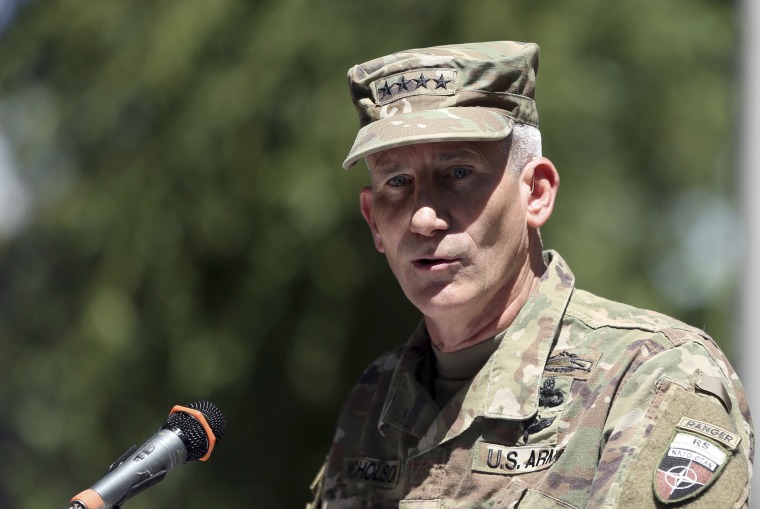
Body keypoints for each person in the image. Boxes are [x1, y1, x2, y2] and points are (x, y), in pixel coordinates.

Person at [307, 41, 754, 508]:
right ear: (374, 220)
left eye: (458, 173)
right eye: (397, 182)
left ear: (535, 194)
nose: (423, 218)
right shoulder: (374, 402)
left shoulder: (651, 377)